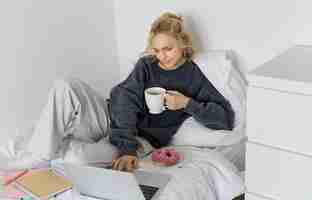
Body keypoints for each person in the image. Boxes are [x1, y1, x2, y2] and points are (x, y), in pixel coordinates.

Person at [25, 12, 234, 173]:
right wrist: (126, 148)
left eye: (168, 49)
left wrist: (186, 103)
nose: (162, 56)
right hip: (110, 117)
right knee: (65, 85)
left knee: (74, 158)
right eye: (157, 50)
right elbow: (125, 98)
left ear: (182, 44)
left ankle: (53, 147)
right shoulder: (146, 65)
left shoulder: (192, 76)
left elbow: (224, 118)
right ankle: (38, 156)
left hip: (140, 141)